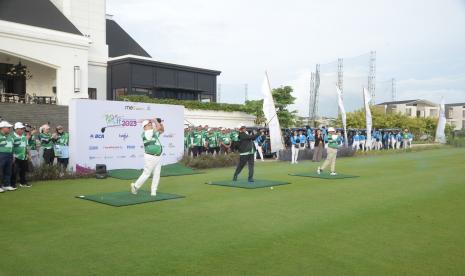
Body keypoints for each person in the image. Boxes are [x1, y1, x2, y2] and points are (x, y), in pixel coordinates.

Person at [130, 118, 164, 197]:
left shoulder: (152, 133)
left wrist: (159, 123)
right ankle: (135, 186)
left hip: (158, 156)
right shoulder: (147, 132)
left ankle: (153, 191)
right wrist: (154, 120)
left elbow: (161, 130)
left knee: (157, 174)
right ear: (144, 127)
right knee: (146, 173)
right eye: (148, 125)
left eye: (150, 125)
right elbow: (158, 128)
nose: (150, 126)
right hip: (150, 156)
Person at [11, 122, 30, 188]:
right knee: (14, 171)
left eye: (23, 129)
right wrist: (13, 155)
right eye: (21, 129)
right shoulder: (12, 136)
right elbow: (11, 147)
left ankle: (23, 182)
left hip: (23, 156)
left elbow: (26, 146)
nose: (23, 130)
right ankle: (12, 184)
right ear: (16, 129)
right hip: (15, 157)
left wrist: (28, 154)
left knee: (23, 170)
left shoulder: (24, 137)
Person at [0, 121, 15, 192]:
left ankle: (6, 185)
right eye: (8, 127)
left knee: (8, 171)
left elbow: (12, 146)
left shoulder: (10, 136)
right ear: (2, 128)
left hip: (9, 155)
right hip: (1, 154)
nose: (9, 129)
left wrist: (13, 155)